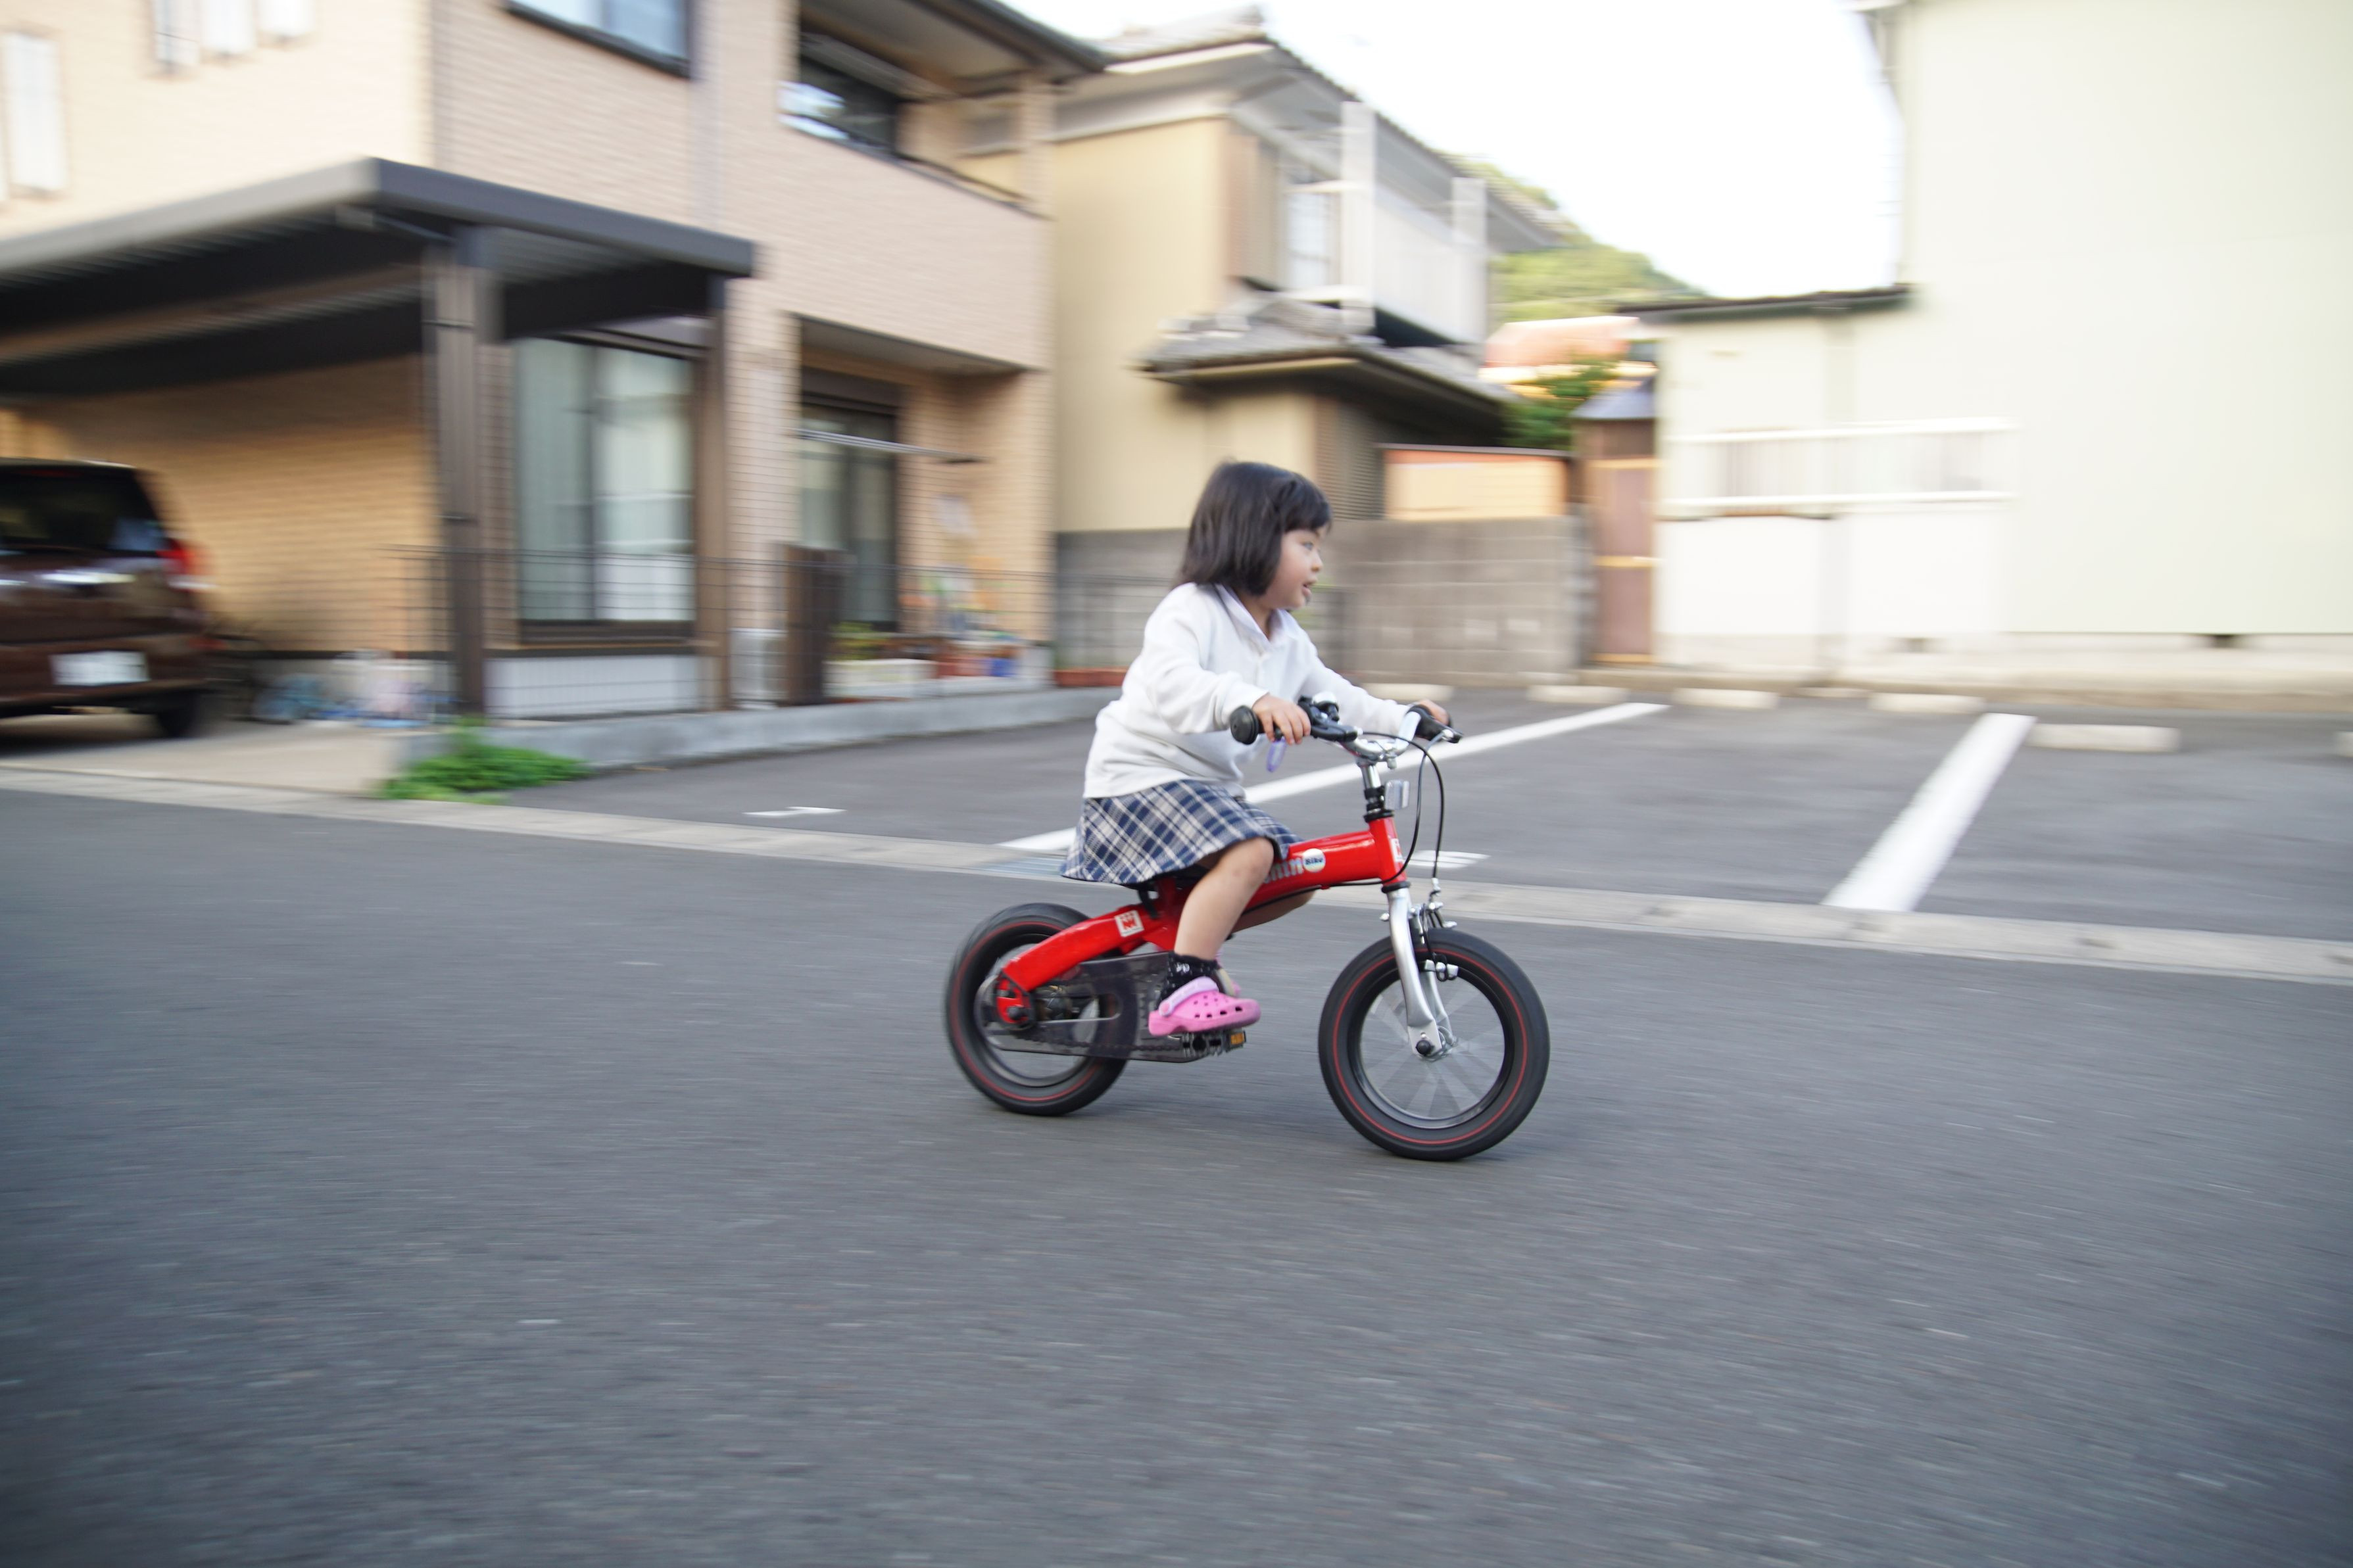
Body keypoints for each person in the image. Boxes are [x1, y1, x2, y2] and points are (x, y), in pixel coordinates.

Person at [1060, 461, 1449, 1037]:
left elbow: (1338, 695)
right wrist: (1251, 699)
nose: (1318, 562)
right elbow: (1172, 683)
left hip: (1204, 792)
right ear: (1256, 540)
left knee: (1295, 876)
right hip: (1138, 779)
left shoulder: (1288, 638)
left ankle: (1190, 949)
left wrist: (1405, 720)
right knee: (1251, 852)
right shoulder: (1192, 608)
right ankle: (1186, 978)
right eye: (1307, 544)